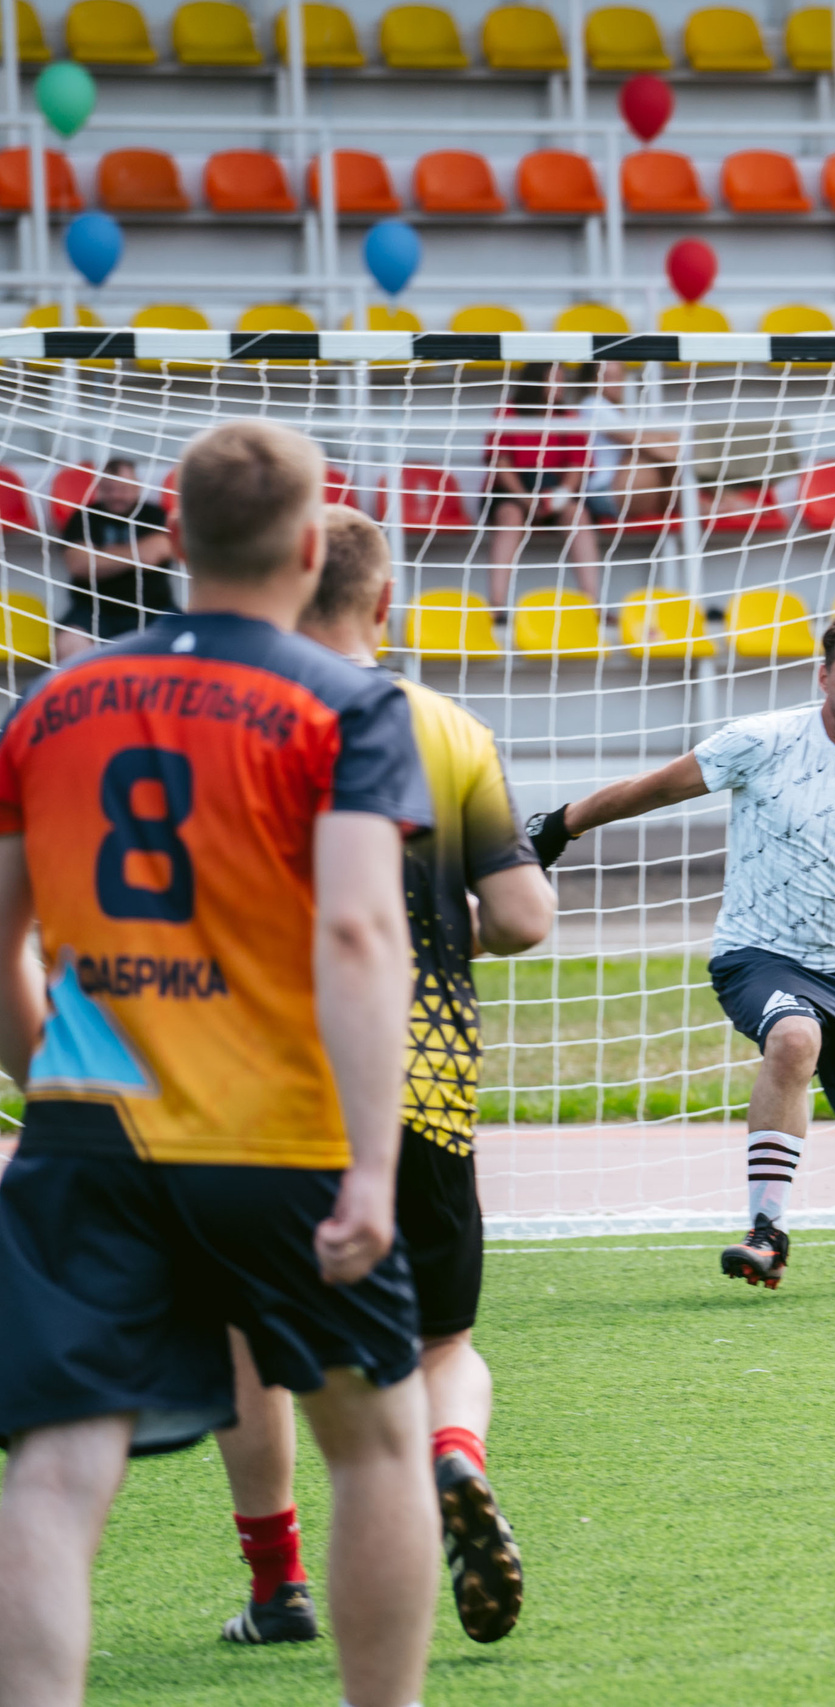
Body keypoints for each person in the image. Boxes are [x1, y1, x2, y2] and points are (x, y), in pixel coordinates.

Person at [0, 421, 441, 1707]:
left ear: (174, 542)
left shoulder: (48, 702)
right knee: (373, 1444)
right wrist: (369, 1164)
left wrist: (54, 1075)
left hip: (91, 1125)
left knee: (58, 1466)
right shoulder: (349, 702)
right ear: (313, 550)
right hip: (277, 1134)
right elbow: (361, 929)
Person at [211, 507, 554, 1649]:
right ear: (387, 603)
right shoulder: (448, 725)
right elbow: (522, 917)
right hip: (427, 1090)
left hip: (268, 1097)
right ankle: (456, 1455)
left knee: (249, 1345)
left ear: (287, 586)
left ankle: (278, 1586)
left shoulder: (240, 716)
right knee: (443, 1346)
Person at [522, 609, 835, 1289]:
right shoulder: (763, 741)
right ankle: (766, 1230)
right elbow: (655, 788)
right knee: (793, 1038)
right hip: (758, 954)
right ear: (824, 676)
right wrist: (560, 826)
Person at [483, 361, 602, 615]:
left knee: (578, 515)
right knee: (511, 517)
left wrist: (560, 496)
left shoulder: (568, 417)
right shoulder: (508, 413)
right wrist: (527, 500)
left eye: (562, 380)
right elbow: (501, 464)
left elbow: (578, 464)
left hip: (554, 490)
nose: (559, 387)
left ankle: (593, 604)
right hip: (512, 491)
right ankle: (497, 605)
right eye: (553, 380)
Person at [53, 457, 178, 662]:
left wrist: (100, 555)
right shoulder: (83, 518)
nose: (117, 495)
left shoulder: (155, 515)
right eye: (110, 489)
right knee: (70, 644)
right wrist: (137, 555)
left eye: (123, 488)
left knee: (190, 643)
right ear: (100, 488)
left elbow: (156, 552)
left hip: (155, 608)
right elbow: (80, 564)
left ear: (137, 486)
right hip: (92, 610)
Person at [567, 361, 677, 526]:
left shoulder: (611, 409)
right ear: (593, 381)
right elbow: (636, 439)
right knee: (654, 456)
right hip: (604, 492)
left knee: (665, 451)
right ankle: (698, 507)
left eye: (619, 377)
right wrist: (671, 453)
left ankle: (696, 506)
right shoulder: (593, 405)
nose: (617, 383)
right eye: (610, 378)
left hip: (616, 488)